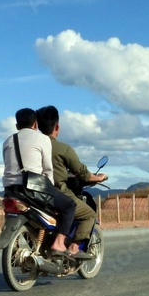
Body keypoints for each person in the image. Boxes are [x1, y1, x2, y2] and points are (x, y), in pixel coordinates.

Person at [2, 108, 81, 258]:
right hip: (34, 189)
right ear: (35, 125)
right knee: (69, 205)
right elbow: (48, 169)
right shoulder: (42, 139)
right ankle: (58, 243)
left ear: (17, 126)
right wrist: (51, 188)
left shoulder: (7, 141)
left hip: (10, 190)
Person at [36, 105, 107, 247]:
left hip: (34, 191)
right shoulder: (63, 148)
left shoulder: (33, 146)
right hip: (57, 192)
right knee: (89, 214)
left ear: (38, 126)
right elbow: (82, 172)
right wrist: (99, 178)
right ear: (57, 126)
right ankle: (73, 249)